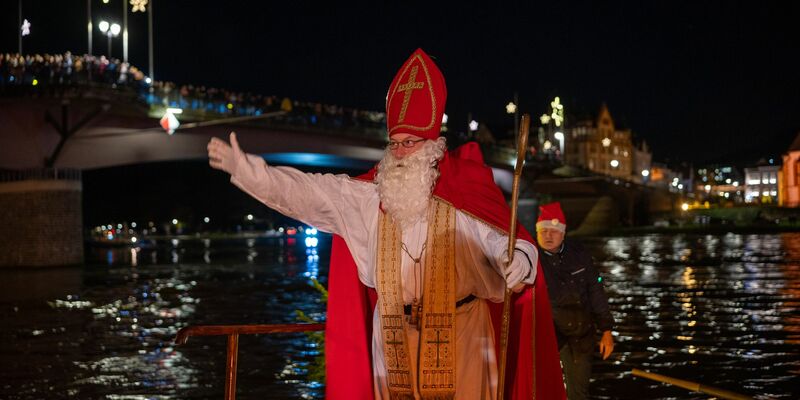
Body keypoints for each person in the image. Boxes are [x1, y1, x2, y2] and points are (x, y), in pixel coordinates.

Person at [208, 48, 565, 399]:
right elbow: (308, 192)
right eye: (394, 143)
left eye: (409, 143)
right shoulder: (369, 196)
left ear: (431, 145)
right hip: (392, 339)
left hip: (464, 336)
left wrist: (518, 261)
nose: (400, 152)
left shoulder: (464, 193)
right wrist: (253, 175)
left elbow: (506, 241)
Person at [535, 202, 615, 400]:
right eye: (543, 231)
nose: (547, 236)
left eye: (553, 231)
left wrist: (606, 330)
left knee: (578, 393)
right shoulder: (529, 258)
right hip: (548, 335)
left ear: (563, 233)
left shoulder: (580, 255)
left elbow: (595, 290)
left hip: (581, 334)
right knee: (542, 390)